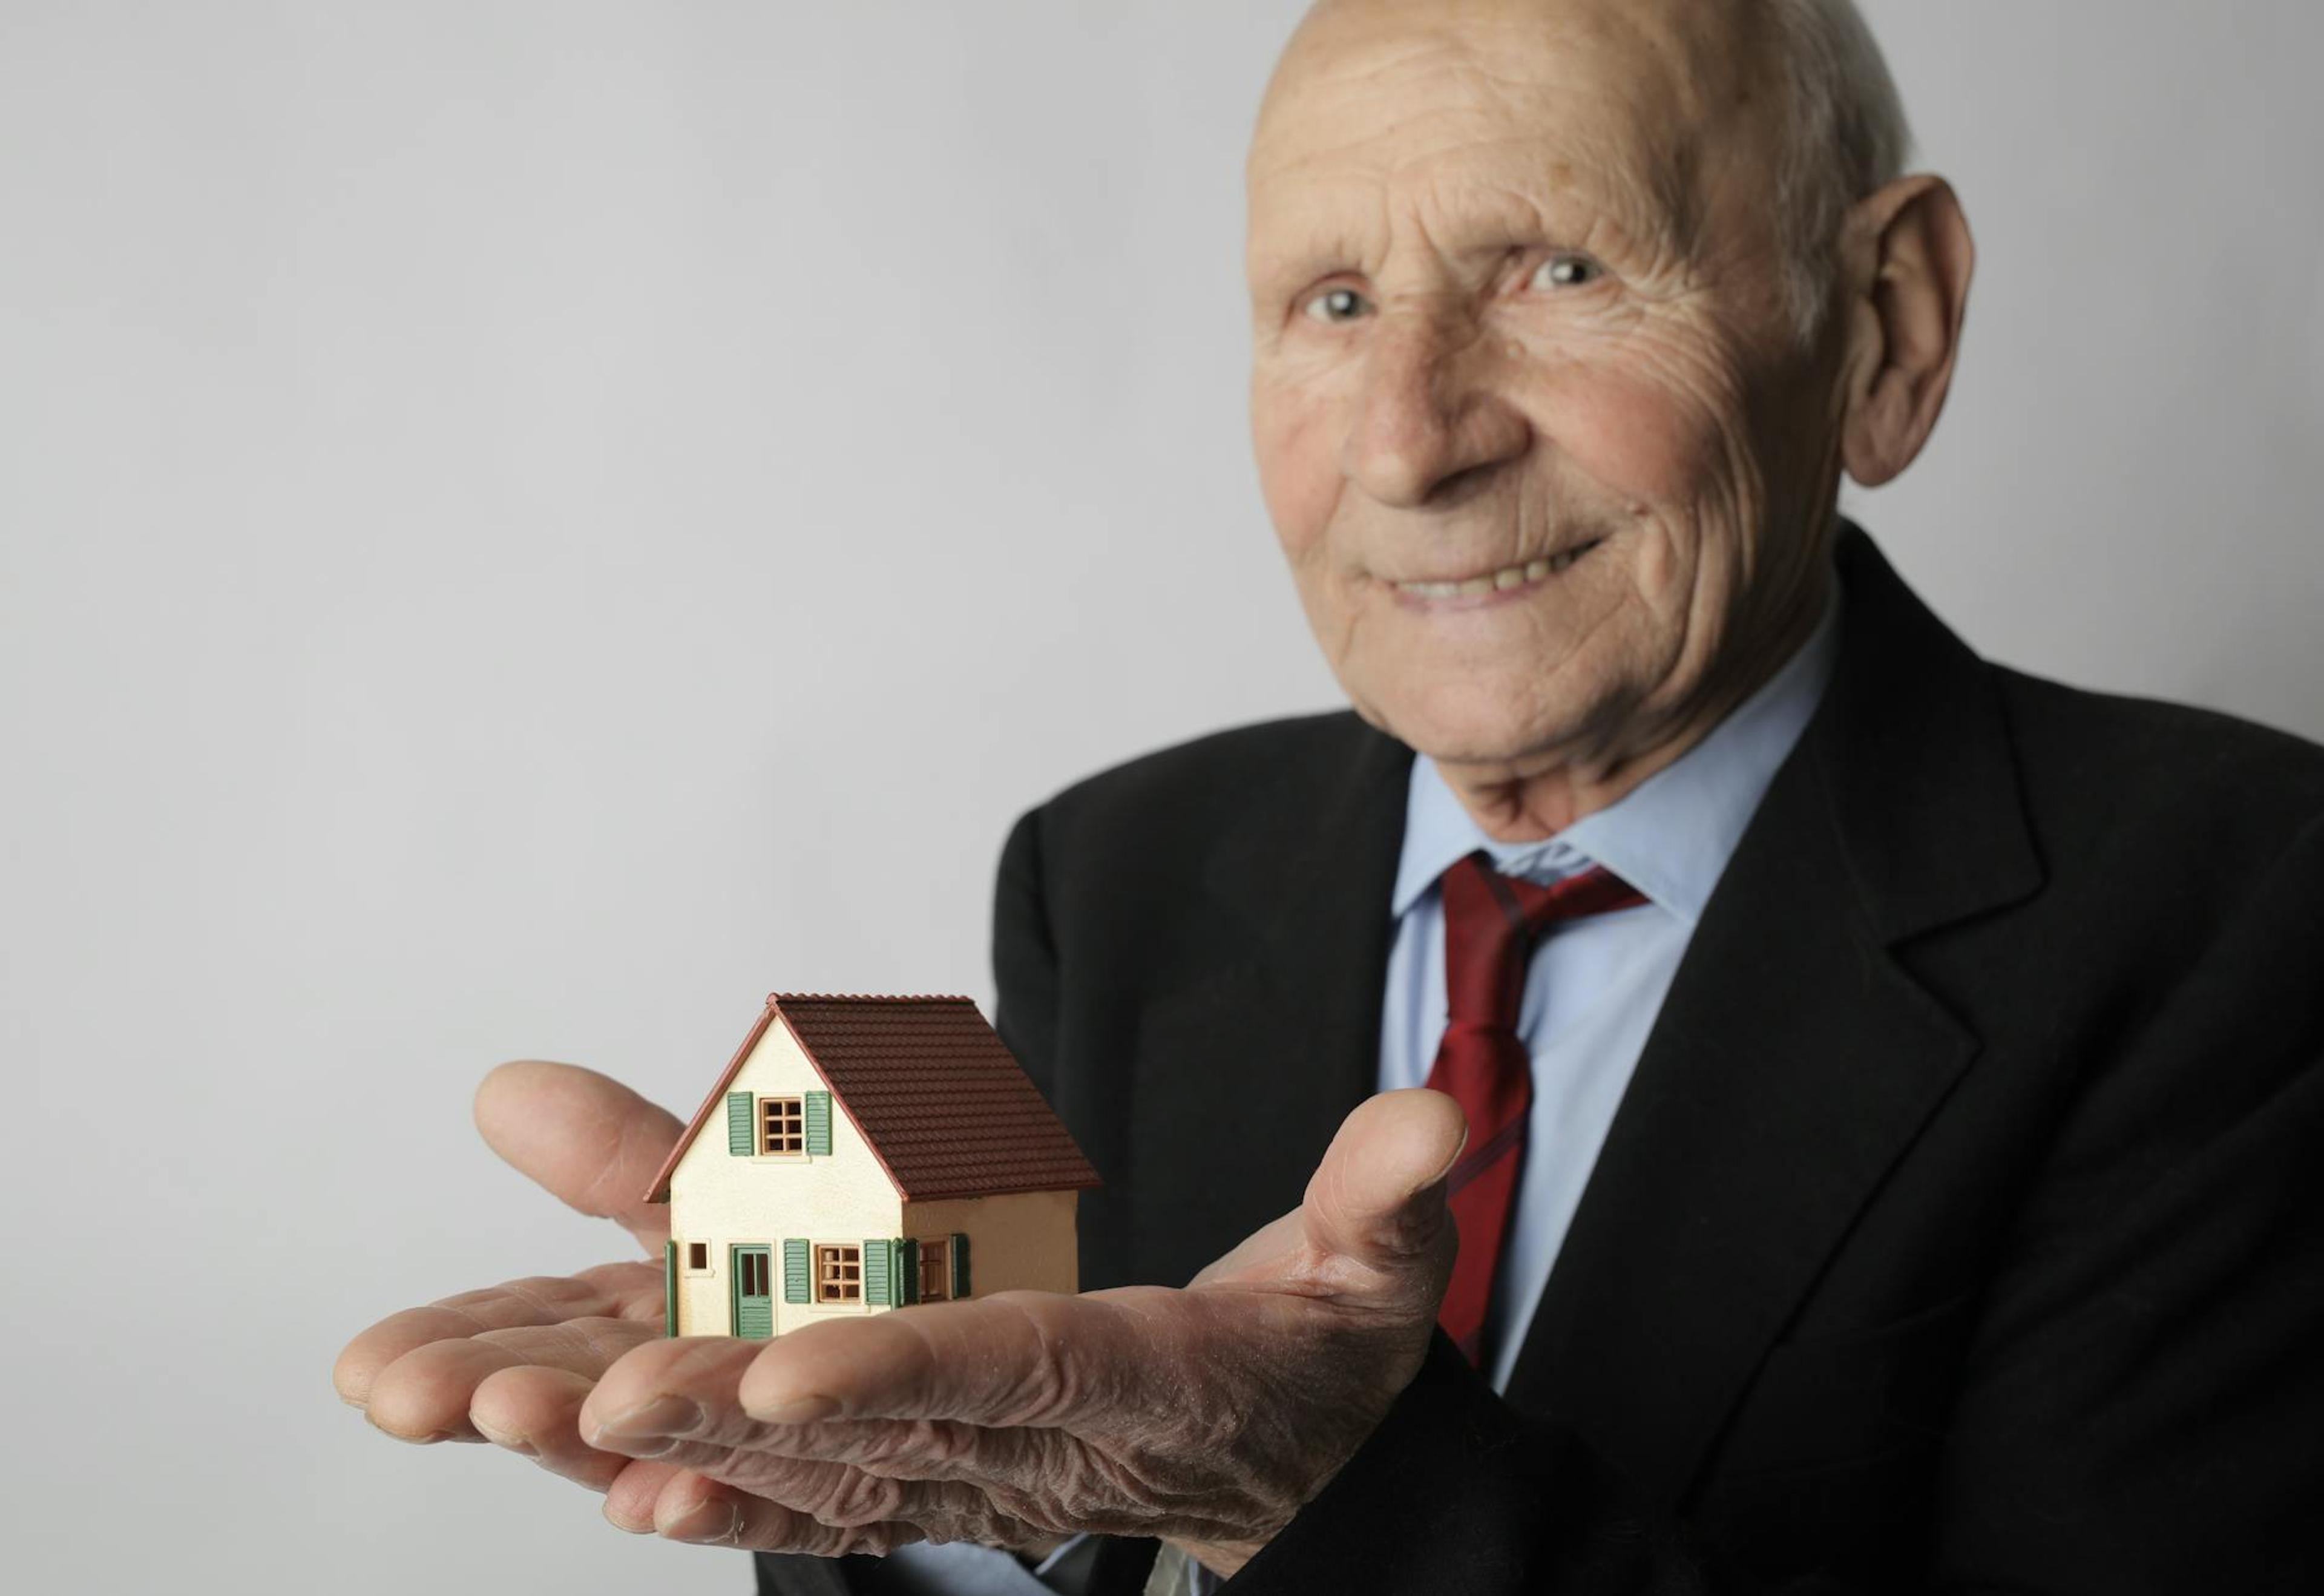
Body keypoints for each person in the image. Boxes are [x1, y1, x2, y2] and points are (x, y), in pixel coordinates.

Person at [335, 0, 2324, 1590]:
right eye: (1334, 303)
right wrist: (943, 1481)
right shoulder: (1116, 872)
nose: (1405, 443)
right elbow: (1050, 1472)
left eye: (1553, 265)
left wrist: (1315, 1493)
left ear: (1883, 327)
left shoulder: (2244, 911)